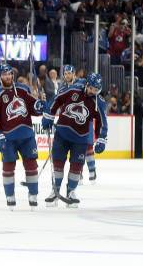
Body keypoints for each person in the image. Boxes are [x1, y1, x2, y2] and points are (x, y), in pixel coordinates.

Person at [42, 72, 108, 207]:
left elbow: (102, 122)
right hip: (62, 134)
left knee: (76, 166)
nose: (92, 91)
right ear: (87, 85)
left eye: (96, 90)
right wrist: (49, 116)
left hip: (81, 139)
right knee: (58, 164)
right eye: (91, 88)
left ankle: (71, 191)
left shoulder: (98, 103)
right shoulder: (73, 89)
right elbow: (56, 100)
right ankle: (55, 191)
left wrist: (101, 138)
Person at [0, 63, 44, 210]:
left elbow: (32, 107)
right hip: (8, 138)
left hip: (26, 135)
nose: (8, 76)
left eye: (10, 74)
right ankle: (10, 196)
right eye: (5, 74)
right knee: (8, 167)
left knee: (31, 165)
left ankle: (33, 195)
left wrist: (39, 106)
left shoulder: (23, 89)